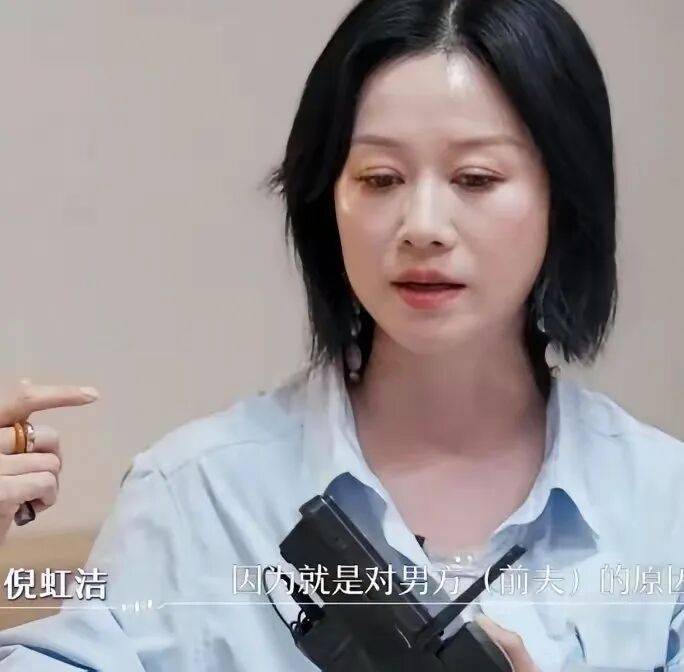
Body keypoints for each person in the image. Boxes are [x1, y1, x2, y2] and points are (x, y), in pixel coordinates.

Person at [0, 0, 682, 670]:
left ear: (565, 197)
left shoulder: (664, 507)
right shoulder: (198, 494)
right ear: (326, 199)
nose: (423, 225)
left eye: (476, 178)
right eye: (380, 179)